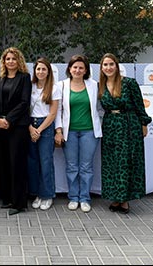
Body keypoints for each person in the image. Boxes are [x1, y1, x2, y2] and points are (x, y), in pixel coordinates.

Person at [98, 53, 151, 214]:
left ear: (117, 66)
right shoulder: (101, 85)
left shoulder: (129, 83)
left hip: (129, 125)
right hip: (110, 127)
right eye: (105, 65)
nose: (108, 68)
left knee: (126, 162)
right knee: (112, 163)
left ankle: (125, 199)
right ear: (101, 68)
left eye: (111, 64)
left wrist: (144, 123)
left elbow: (139, 105)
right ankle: (115, 197)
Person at [54, 54, 103, 213]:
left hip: (89, 131)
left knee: (86, 166)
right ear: (69, 69)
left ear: (86, 70)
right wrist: (59, 130)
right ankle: (74, 197)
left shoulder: (93, 85)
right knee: (72, 166)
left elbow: (101, 106)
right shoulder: (62, 85)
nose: (77, 70)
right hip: (70, 132)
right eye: (75, 67)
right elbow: (58, 110)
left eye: (81, 67)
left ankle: (85, 198)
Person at [0, 47, 32, 215]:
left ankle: (19, 203)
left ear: (19, 61)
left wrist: (9, 119)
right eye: (8, 59)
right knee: (2, 163)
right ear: (4, 61)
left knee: (17, 164)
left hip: (17, 127)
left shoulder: (25, 78)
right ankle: (6, 197)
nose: (11, 62)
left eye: (14, 59)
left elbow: (24, 102)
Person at [28, 57, 59, 211]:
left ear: (48, 72)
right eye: (38, 69)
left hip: (45, 126)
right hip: (30, 125)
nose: (40, 72)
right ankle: (36, 194)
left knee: (46, 161)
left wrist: (39, 130)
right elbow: (24, 108)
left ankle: (47, 195)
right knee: (33, 162)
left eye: (43, 69)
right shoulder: (30, 86)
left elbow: (53, 113)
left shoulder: (54, 88)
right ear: (34, 71)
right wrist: (30, 128)